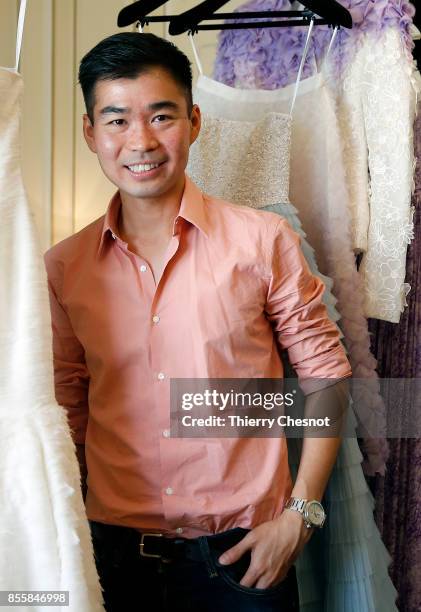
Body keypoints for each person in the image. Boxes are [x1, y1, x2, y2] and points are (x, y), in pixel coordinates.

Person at [44, 32, 351, 612]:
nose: (140, 141)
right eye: (116, 120)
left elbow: (327, 379)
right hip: (111, 558)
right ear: (90, 132)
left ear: (194, 121)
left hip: (245, 560)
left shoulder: (263, 241)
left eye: (161, 115)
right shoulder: (63, 267)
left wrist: (301, 516)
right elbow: (68, 408)